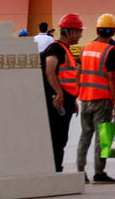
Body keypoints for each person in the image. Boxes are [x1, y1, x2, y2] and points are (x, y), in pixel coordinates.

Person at [76, 13, 115, 184]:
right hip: (102, 99)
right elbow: (111, 78)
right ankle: (99, 173)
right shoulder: (110, 50)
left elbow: (77, 74)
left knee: (85, 136)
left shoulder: (85, 48)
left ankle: (80, 172)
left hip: (85, 98)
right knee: (102, 137)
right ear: (113, 32)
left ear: (97, 30)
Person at [42, 13, 83, 173]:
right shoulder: (56, 49)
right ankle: (54, 168)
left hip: (66, 100)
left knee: (62, 137)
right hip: (57, 101)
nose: (80, 35)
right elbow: (49, 71)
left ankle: (56, 167)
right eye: (79, 31)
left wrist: (72, 100)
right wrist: (59, 93)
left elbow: (66, 77)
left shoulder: (65, 50)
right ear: (70, 32)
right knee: (57, 136)